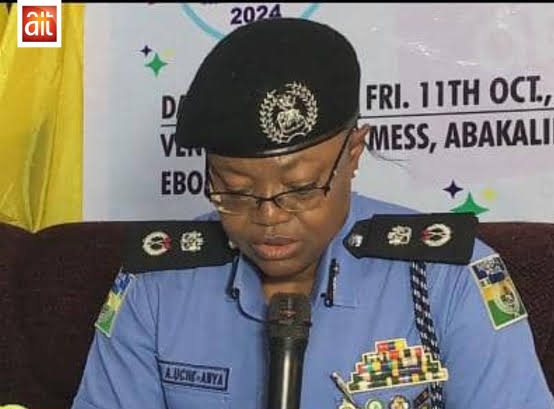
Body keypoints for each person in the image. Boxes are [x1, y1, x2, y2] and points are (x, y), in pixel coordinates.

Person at [71, 17, 554, 409]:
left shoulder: (446, 279)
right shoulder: (157, 284)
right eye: (235, 192)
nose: (269, 218)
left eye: (300, 189)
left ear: (354, 153)